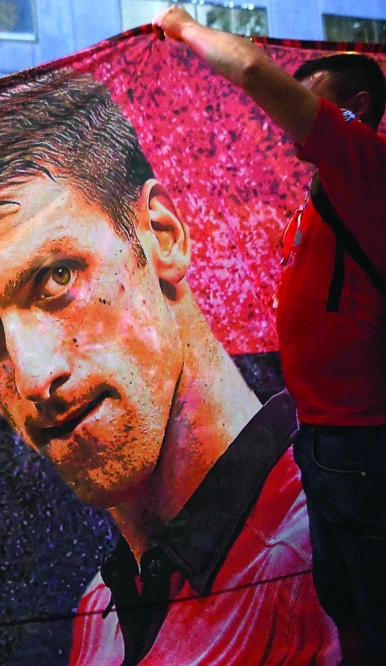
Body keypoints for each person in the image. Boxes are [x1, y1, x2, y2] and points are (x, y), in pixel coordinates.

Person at [0, 68, 339, 665]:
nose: (34, 376)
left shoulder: (342, 552)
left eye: (57, 278)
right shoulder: (99, 614)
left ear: (162, 237)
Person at [153, 9, 386, 664]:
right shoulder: (322, 195)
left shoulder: (367, 167)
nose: (293, 109)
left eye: (312, 95)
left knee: (374, 600)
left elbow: (253, 69)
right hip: (324, 438)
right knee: (346, 603)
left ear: (357, 108)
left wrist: (186, 27)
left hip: (363, 442)